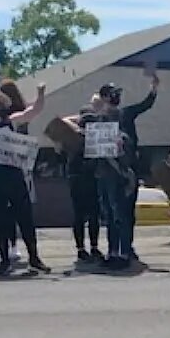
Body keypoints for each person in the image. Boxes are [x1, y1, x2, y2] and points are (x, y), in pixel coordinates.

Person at [0, 87, 51, 276]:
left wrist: (39, 93)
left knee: (25, 218)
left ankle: (34, 257)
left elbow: (33, 111)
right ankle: (4, 260)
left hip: (14, 176)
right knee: (0, 220)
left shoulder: (12, 122)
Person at [98, 75, 159, 257]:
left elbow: (145, 104)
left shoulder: (126, 113)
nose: (116, 97)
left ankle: (126, 249)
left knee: (127, 212)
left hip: (128, 171)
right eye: (112, 94)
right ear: (104, 98)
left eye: (117, 93)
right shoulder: (98, 119)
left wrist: (154, 88)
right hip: (106, 172)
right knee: (110, 214)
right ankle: (113, 250)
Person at [93, 101, 139, 270]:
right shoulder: (96, 138)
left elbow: (128, 161)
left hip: (118, 181)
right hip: (103, 179)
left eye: (105, 119)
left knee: (121, 217)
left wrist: (117, 151)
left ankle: (124, 253)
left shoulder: (123, 138)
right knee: (109, 217)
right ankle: (113, 252)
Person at [64, 95, 106, 262]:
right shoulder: (73, 139)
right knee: (86, 215)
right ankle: (85, 248)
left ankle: (89, 247)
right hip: (82, 177)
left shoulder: (92, 138)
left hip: (86, 177)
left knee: (85, 215)